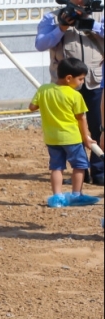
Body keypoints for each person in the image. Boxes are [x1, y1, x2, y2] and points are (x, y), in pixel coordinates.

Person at [35, 0, 104, 186]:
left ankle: (98, 171)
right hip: (65, 86)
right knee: (70, 127)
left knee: (96, 126)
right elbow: (41, 43)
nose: (85, 0)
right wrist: (62, 27)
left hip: (94, 81)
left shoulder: (100, 16)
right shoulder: (52, 18)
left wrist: (94, 26)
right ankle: (78, 171)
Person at [27, 58, 100, 208]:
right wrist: (86, 137)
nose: (81, 82)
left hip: (52, 138)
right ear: (69, 78)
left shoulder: (43, 89)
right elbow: (81, 119)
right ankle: (76, 195)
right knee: (79, 166)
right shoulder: (75, 96)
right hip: (72, 138)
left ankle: (57, 197)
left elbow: (32, 107)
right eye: (80, 79)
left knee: (56, 167)